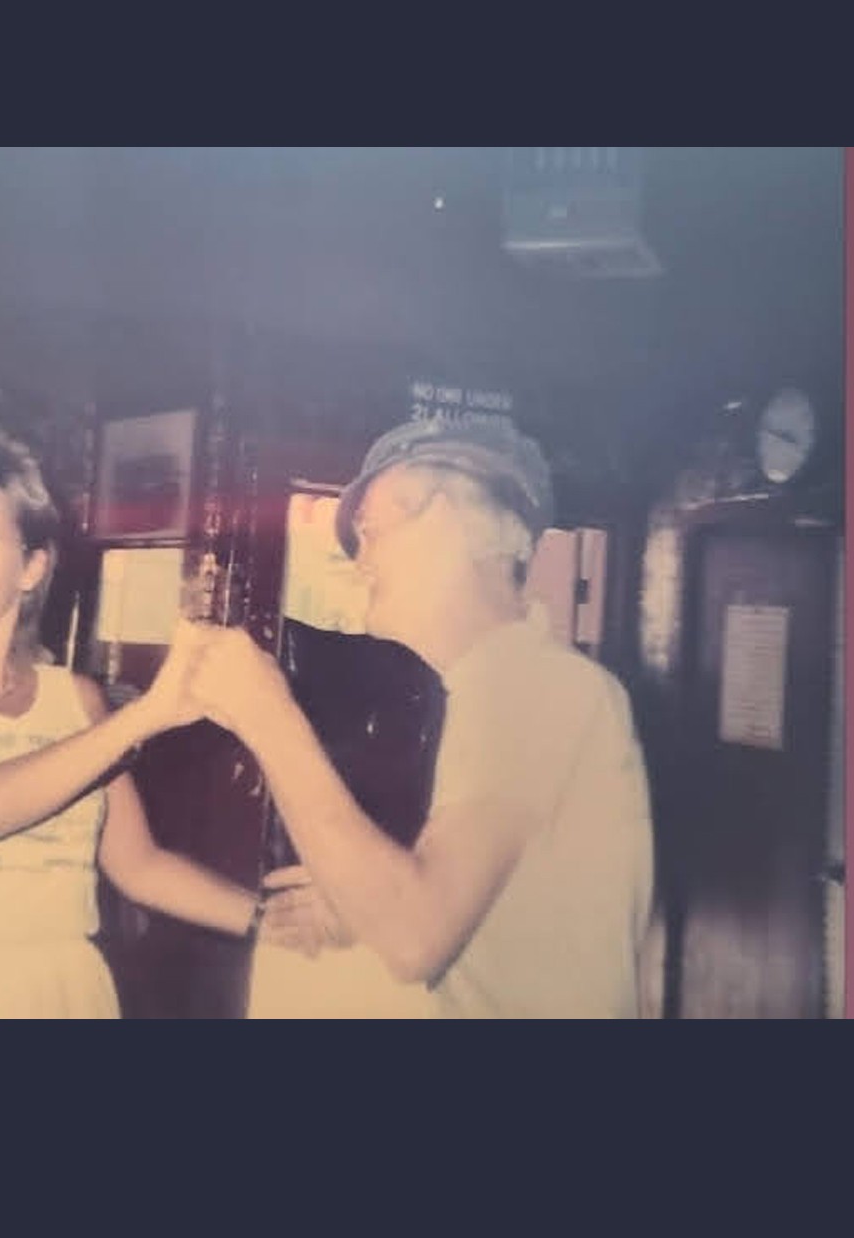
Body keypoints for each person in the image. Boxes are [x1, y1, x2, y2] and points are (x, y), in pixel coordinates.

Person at [178, 413, 655, 1020]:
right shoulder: (494, 689)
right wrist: (358, 907)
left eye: (371, 532)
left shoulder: (535, 686)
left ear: (445, 523)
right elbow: (463, 905)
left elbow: (414, 938)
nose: (360, 562)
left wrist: (267, 717)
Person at [0, 429, 264, 1019]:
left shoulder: (76, 700)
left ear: (31, 567)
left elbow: (140, 867)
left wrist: (274, 924)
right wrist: (148, 715)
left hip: (64, 993)